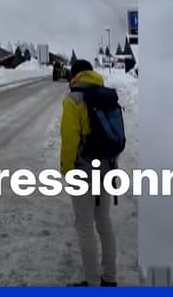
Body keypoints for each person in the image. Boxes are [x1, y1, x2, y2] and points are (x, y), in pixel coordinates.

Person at [60, 59, 118, 287]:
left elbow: (69, 141)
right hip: (108, 169)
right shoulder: (107, 96)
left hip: (83, 172)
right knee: (104, 222)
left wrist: (66, 170)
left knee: (84, 226)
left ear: (74, 76)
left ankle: (93, 282)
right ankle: (110, 278)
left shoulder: (73, 99)